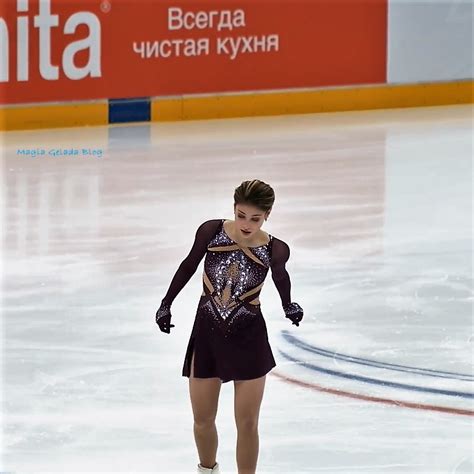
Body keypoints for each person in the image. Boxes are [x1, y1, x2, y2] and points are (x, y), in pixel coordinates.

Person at [155, 179, 304, 474]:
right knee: (202, 419)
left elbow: (281, 278)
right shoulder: (211, 231)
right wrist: (166, 302)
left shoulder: (276, 249)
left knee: (247, 423)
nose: (247, 224)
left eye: (255, 218)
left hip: (248, 337)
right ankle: (207, 470)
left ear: (267, 215)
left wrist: (289, 305)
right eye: (241, 215)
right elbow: (189, 265)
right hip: (208, 334)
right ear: (234, 209)